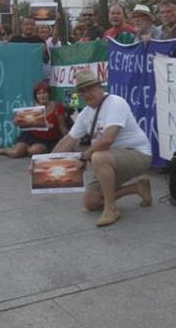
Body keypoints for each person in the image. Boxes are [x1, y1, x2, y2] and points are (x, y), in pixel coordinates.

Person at [44, 70, 153, 227]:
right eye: (82, 91)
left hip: (137, 154)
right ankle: (138, 187)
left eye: (90, 88)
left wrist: (84, 156)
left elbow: (108, 139)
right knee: (91, 202)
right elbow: (68, 139)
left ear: (99, 87)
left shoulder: (115, 102)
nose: (86, 94)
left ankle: (111, 209)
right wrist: (44, 164)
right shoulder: (86, 113)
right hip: (112, 158)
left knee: (98, 157)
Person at [0, 81, 68, 157]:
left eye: (44, 93)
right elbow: (19, 121)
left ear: (49, 94)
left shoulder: (57, 107)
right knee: (16, 153)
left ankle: (29, 150)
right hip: (31, 135)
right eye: (39, 94)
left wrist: (69, 142)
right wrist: (16, 122)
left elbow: (62, 127)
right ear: (36, 96)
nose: (42, 96)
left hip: (48, 140)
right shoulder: (34, 108)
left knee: (33, 151)